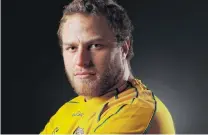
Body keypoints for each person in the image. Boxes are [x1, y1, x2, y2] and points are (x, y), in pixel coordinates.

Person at [40, 0, 175, 134]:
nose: (81, 61)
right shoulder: (68, 111)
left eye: (95, 46)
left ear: (124, 48)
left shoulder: (136, 111)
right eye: (72, 48)